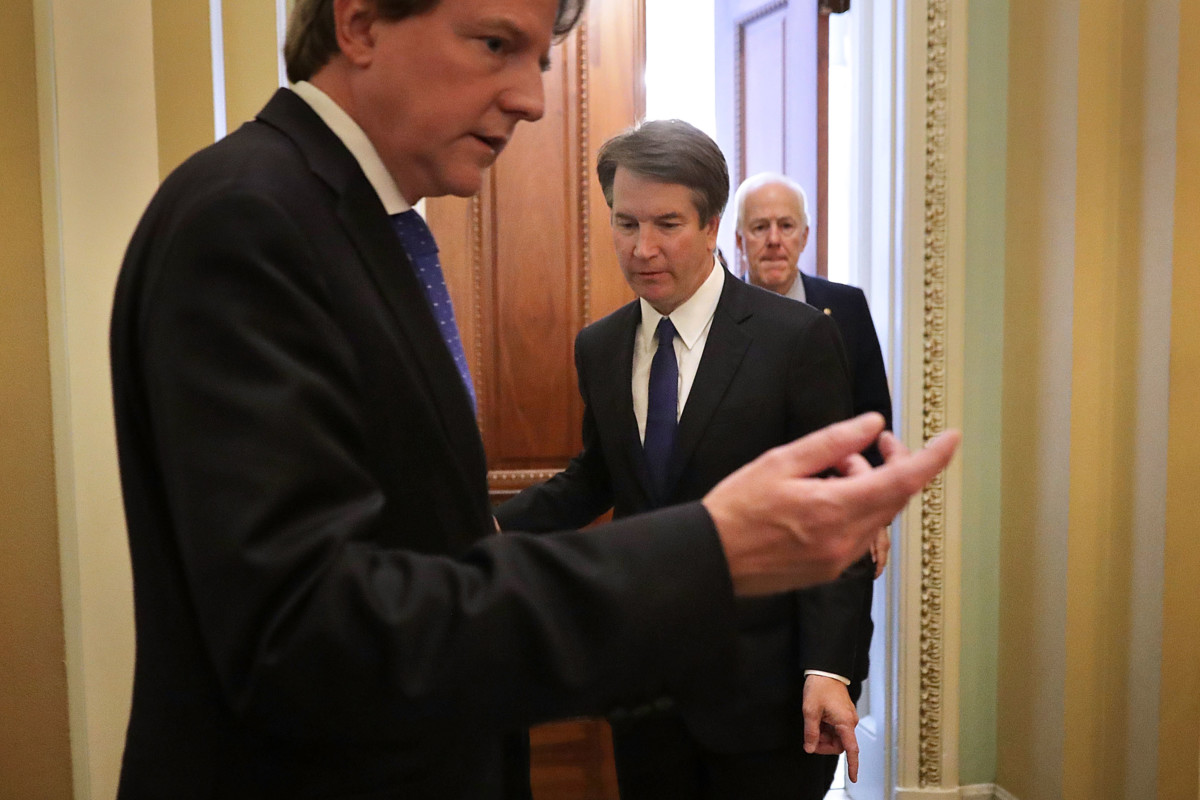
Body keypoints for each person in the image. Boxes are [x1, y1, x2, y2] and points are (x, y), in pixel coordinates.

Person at [109, 1, 959, 798]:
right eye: (494, 44)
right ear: (360, 21)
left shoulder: (355, 225)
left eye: (541, 58)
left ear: (709, 226)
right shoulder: (250, 219)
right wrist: (707, 550)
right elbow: (306, 633)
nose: (534, 100)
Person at [495, 120, 870, 800]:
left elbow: (833, 513)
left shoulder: (796, 340)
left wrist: (829, 668)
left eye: (667, 223)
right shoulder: (599, 347)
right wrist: (485, 531)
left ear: (711, 225)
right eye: (626, 223)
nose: (643, 249)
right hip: (648, 687)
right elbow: (598, 476)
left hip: (769, 690)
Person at [735, 170, 895, 762]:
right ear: (739, 241)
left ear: (805, 236)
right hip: (758, 529)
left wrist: (875, 514)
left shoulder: (844, 307)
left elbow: (874, 418)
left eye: (785, 226)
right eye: (759, 227)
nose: (773, 239)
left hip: (835, 526)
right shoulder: (722, 316)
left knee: (834, 659)